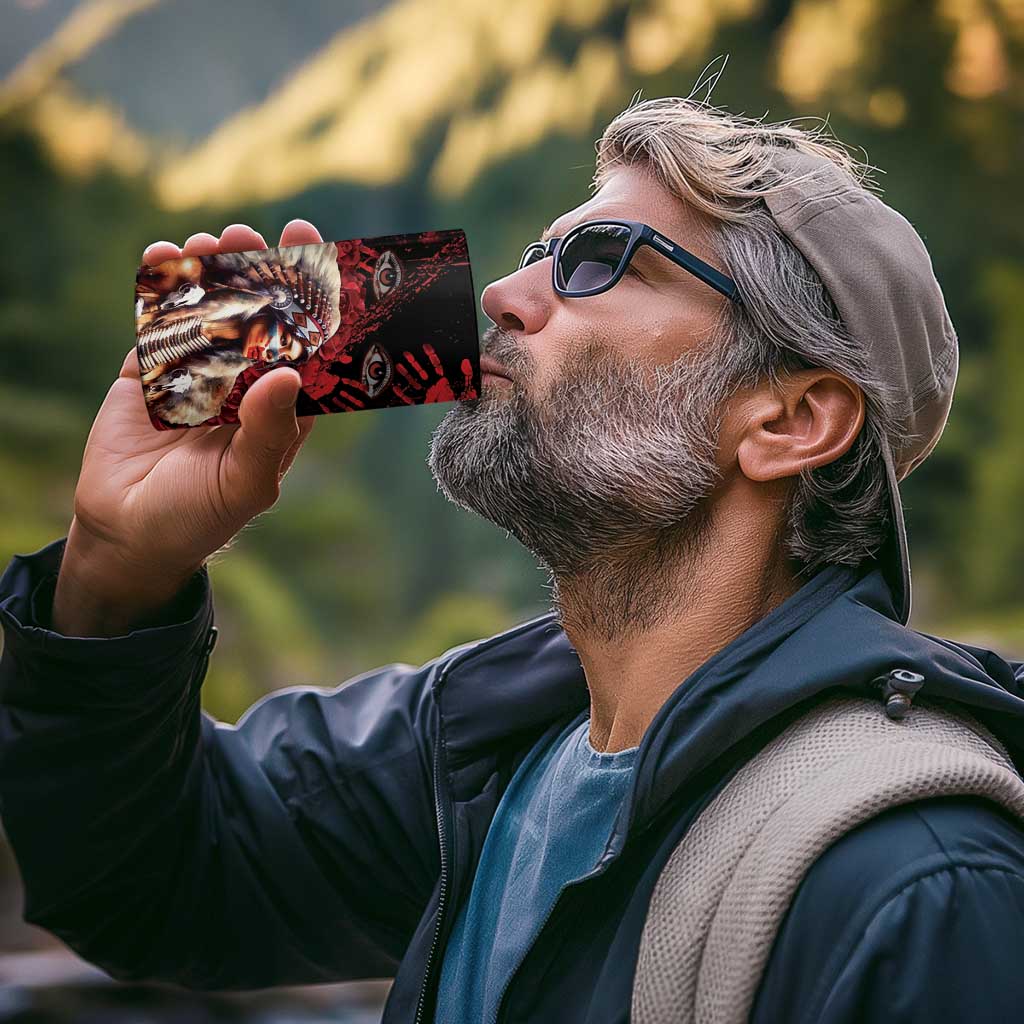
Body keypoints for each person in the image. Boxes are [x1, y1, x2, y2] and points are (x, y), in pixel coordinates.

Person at [2, 95, 1024, 1024]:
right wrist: (116, 573)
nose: (500, 292)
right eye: (541, 251)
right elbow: (150, 879)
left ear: (790, 421)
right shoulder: (482, 745)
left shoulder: (919, 887)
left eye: (601, 261)